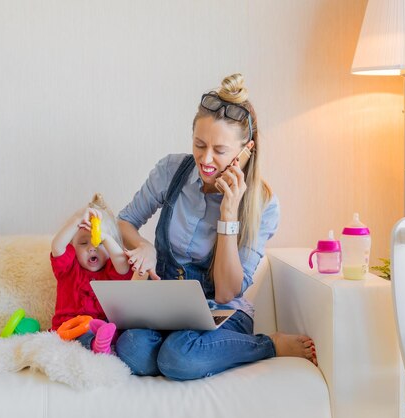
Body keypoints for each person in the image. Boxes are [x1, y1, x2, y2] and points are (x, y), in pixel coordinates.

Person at [115, 73, 317, 380]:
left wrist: (228, 213)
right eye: (199, 144)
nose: (205, 159)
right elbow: (125, 222)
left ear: (245, 151)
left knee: (179, 359)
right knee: (131, 349)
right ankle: (181, 346)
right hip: (169, 306)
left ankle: (268, 344)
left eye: (220, 151)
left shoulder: (262, 204)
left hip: (222, 313)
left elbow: (225, 292)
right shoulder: (171, 170)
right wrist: (142, 245)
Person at [50, 193, 135, 354]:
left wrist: (105, 238)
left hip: (103, 329)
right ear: (73, 247)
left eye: (99, 243)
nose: (91, 248)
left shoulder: (112, 269)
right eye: (83, 243)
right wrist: (76, 219)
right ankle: (96, 346)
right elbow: (57, 247)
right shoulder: (68, 268)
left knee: (114, 332)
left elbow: (123, 264)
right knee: (81, 336)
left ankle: (101, 344)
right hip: (70, 329)